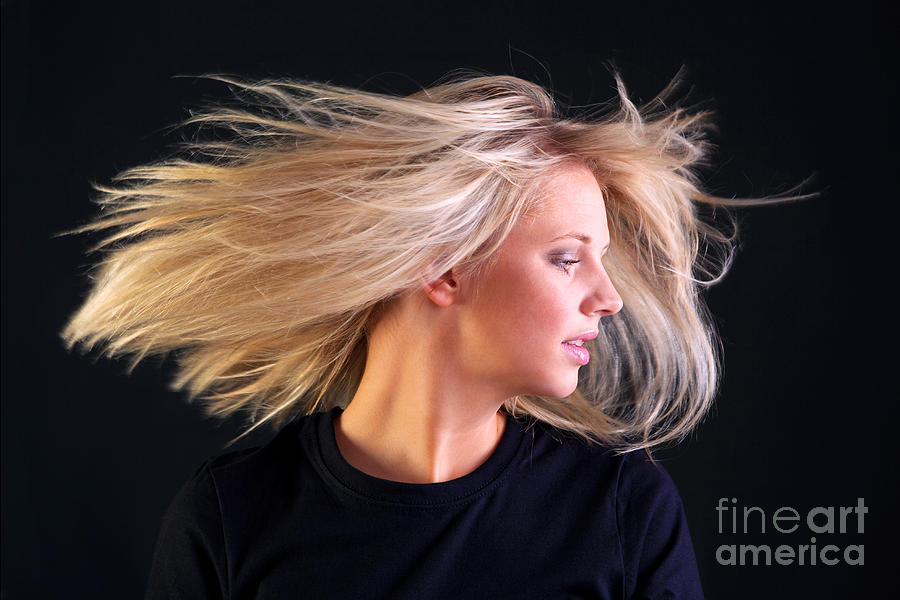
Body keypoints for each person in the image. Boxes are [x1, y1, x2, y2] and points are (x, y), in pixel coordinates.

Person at [63, 72, 736, 598]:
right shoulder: (231, 515)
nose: (609, 298)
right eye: (567, 258)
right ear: (444, 270)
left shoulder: (621, 511)